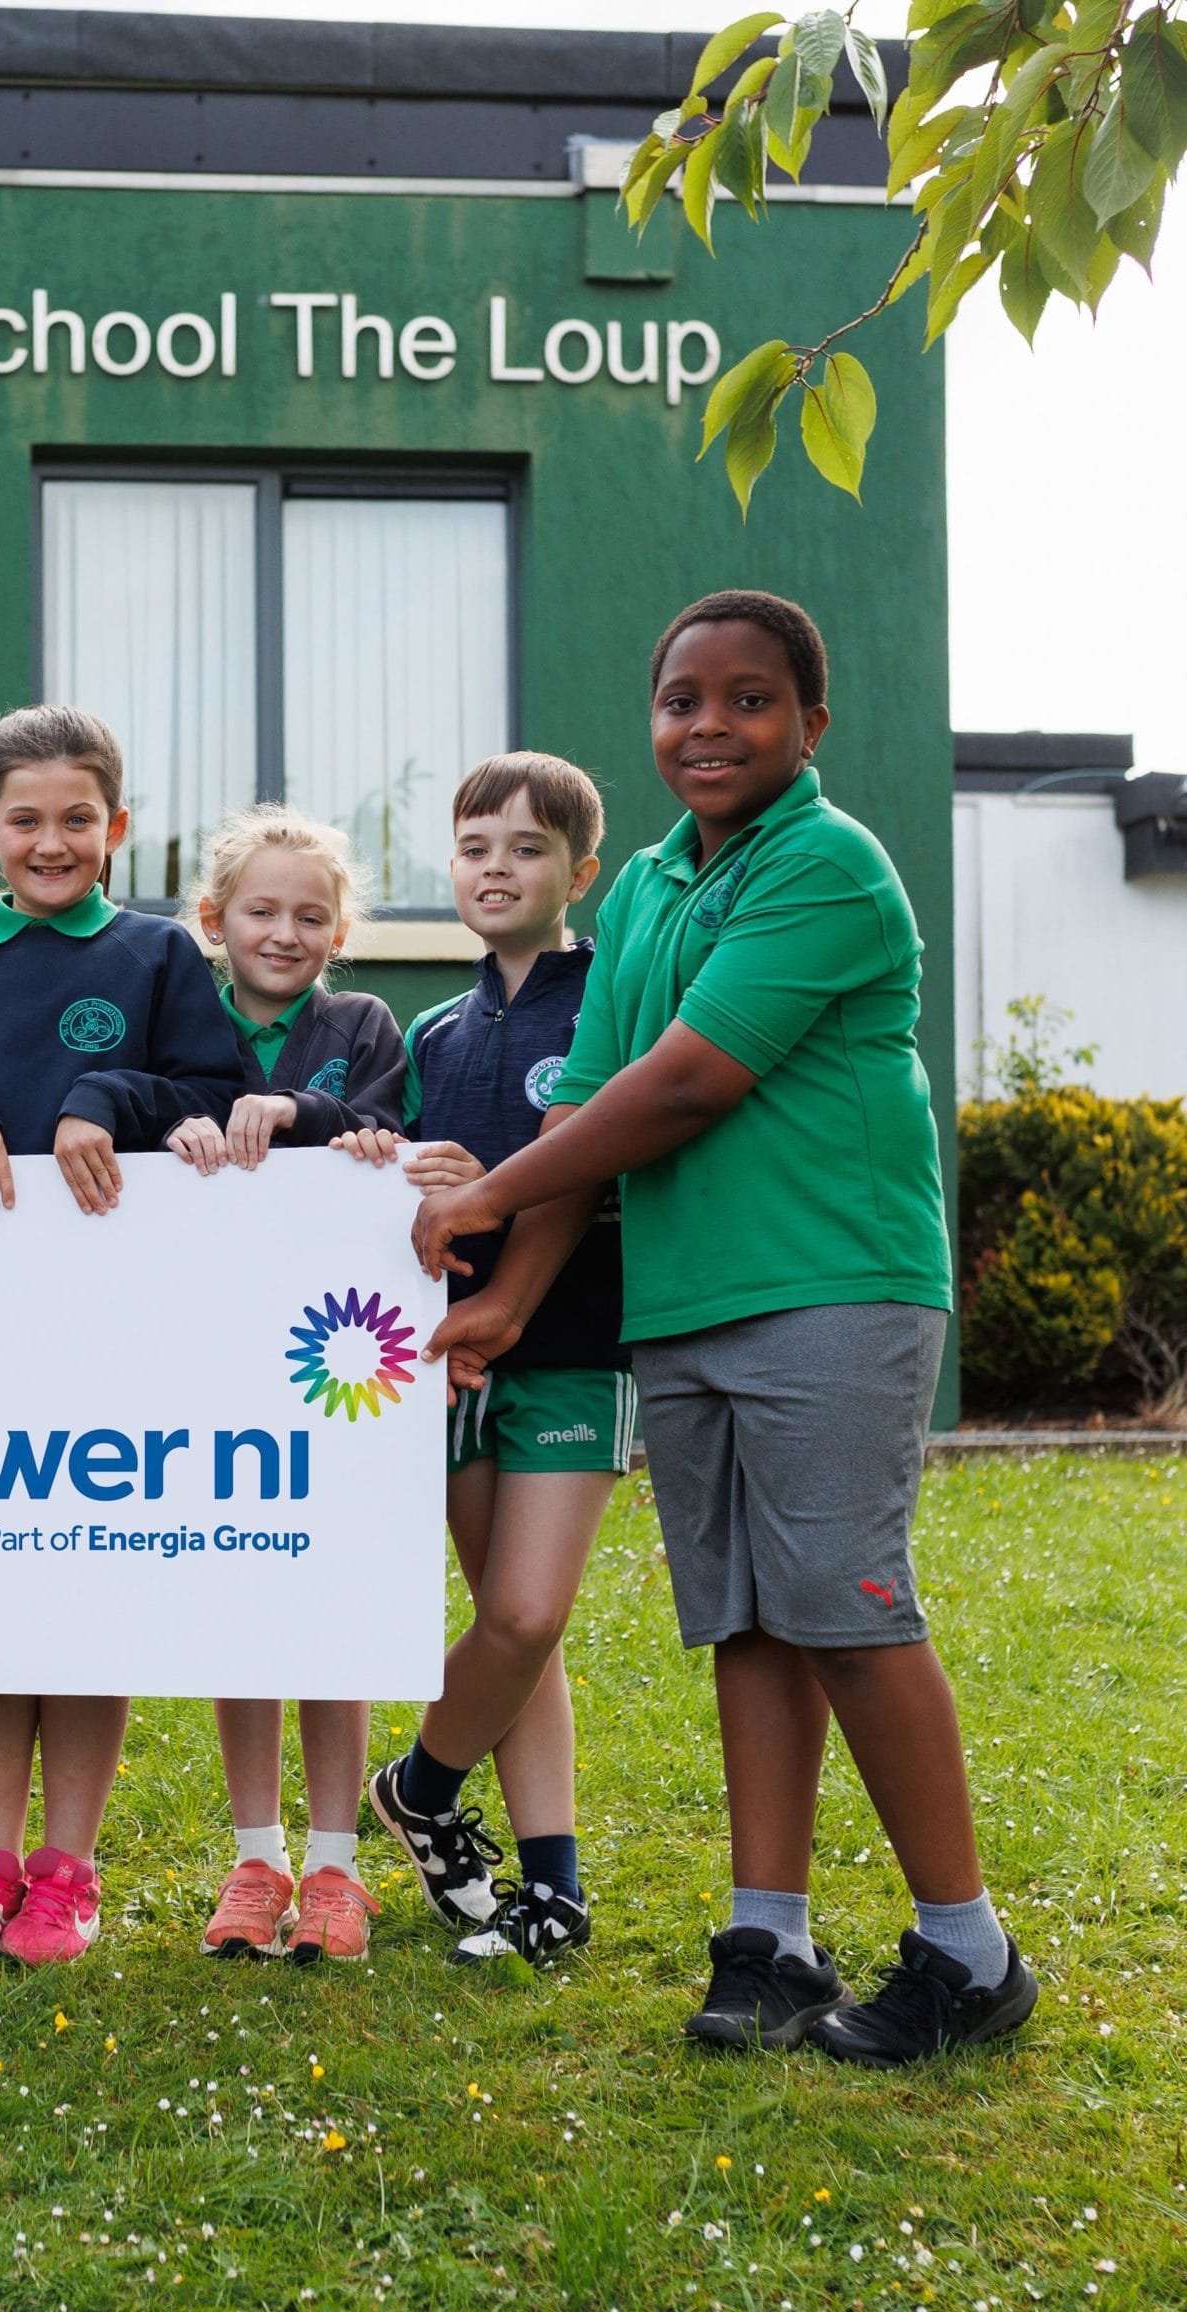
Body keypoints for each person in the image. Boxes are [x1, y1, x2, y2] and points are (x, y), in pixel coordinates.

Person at [412, 591, 1037, 2063]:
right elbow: (595, 1098)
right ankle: (770, 1940)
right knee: (749, 1622)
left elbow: (686, 1084)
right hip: (684, 1301)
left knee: (844, 1604)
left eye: (747, 700)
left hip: (830, 1282)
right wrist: (508, 1293)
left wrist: (487, 1194)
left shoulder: (825, 866)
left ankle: (969, 1953)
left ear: (810, 725)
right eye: (681, 699)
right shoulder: (639, 890)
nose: (709, 725)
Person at [0, 705, 243, 1963]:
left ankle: (66, 1871)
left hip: (118, 1331)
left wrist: (102, 1098)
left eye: (76, 819)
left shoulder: (157, 958)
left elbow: (210, 1088)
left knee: (84, 1582)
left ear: (116, 829)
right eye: (24, 820)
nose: (51, 841)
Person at [346, 753, 631, 1969]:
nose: (496, 868)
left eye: (524, 848)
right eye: (473, 848)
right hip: (450, 1357)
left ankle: (416, 1782)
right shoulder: (432, 1027)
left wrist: (499, 1189)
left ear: (581, 870)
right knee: (514, 1628)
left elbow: (608, 1160)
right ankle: (550, 1885)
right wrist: (382, 1156)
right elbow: (408, 1183)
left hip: (574, 1344)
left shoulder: (611, 999)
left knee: (523, 1612)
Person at [161, 804, 405, 1963]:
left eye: (312, 913)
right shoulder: (181, 1020)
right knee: (240, 1610)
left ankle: (335, 1864)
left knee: (330, 1613)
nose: (285, 930)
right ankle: (256, 1856)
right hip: (205, 1354)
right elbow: (135, 1103)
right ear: (214, 919)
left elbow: (386, 1128)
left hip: (330, 1372)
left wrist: (318, 1119)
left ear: (340, 926)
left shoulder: (361, 1022)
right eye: (261, 909)